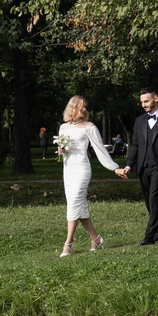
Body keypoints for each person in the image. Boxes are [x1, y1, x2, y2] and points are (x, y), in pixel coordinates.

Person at [53, 96, 121, 256]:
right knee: (78, 207)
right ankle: (96, 239)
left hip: (82, 168)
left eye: (85, 107)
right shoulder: (63, 127)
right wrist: (61, 151)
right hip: (68, 168)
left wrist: (114, 168)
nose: (84, 109)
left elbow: (100, 149)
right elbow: (62, 149)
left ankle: (68, 244)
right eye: (81, 107)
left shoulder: (89, 127)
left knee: (75, 202)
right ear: (73, 107)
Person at [116, 87, 158, 244]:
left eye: (146, 101)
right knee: (148, 200)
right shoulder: (139, 121)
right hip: (142, 166)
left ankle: (149, 236)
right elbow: (135, 145)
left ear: (156, 99)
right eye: (142, 102)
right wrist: (129, 165)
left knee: (153, 198)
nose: (144, 104)